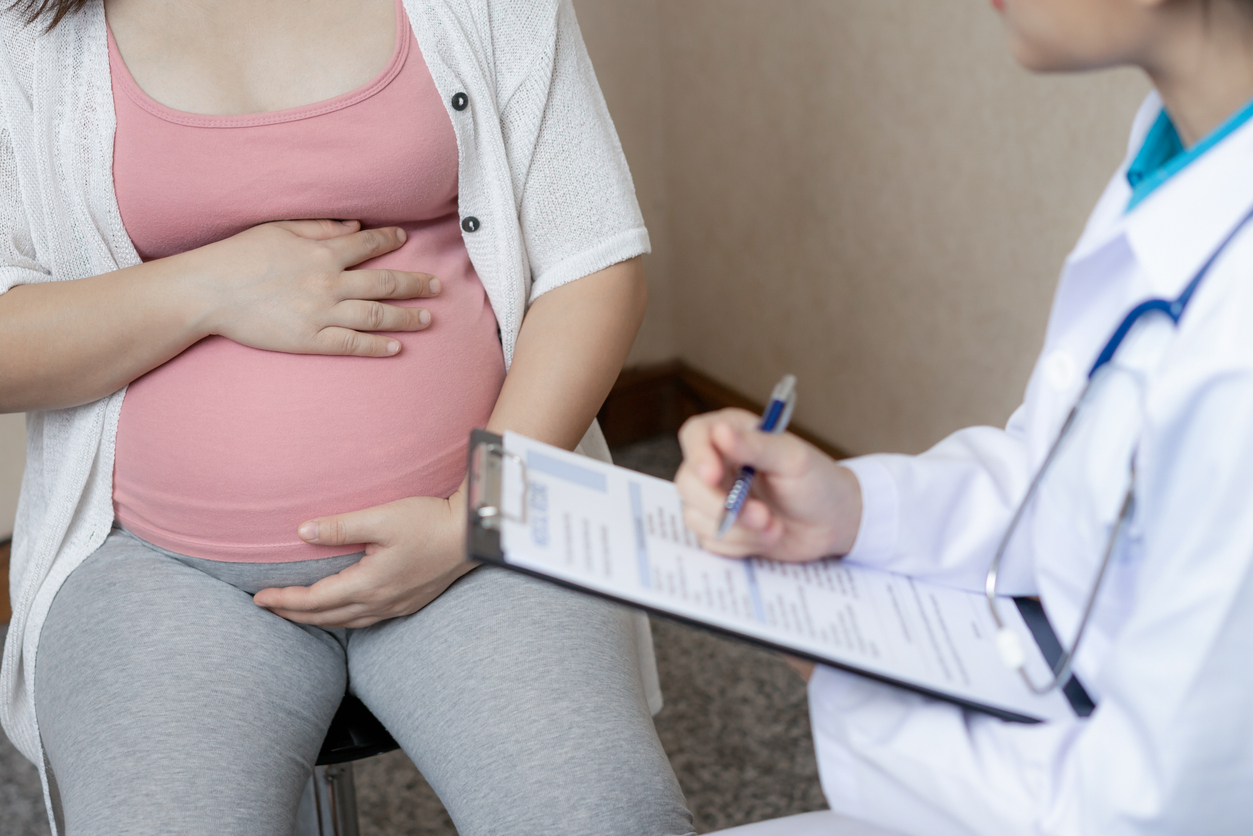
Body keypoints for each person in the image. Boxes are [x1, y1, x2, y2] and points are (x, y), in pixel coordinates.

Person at [0, 0, 694, 834]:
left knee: (607, 820)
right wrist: (207, 288)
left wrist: (472, 520)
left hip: (478, 536)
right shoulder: (28, 36)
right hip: (157, 566)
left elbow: (593, 270)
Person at [677, 0, 1253, 833]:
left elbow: (1140, 814)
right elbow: (1072, 461)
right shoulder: (1182, 143)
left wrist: (837, 666)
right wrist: (853, 509)